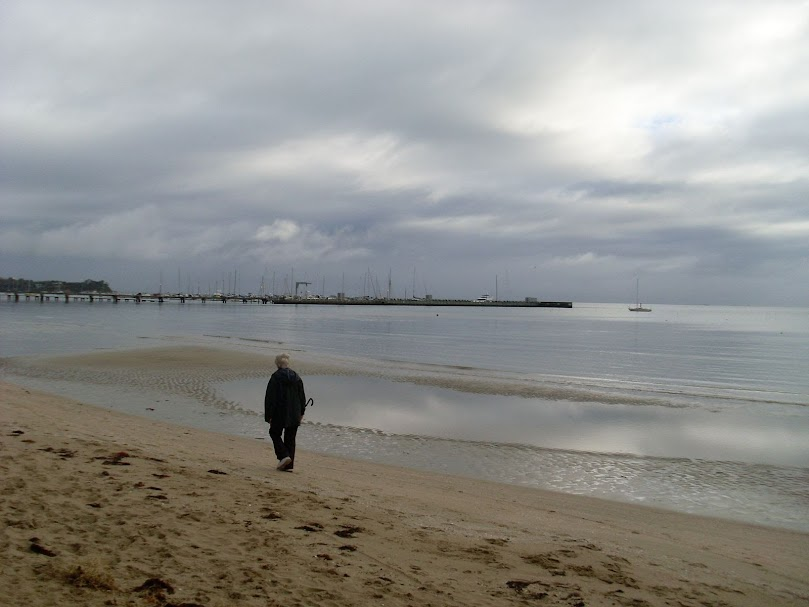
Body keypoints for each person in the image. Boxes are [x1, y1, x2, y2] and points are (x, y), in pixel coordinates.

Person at [264, 353, 307, 471]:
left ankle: (283, 456)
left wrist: (268, 416)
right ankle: (288, 464)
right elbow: (302, 396)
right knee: (290, 438)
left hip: (279, 412)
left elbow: (270, 398)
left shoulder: (275, 377)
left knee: (274, 433)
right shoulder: (297, 377)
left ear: (277, 364)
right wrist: (302, 412)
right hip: (294, 412)